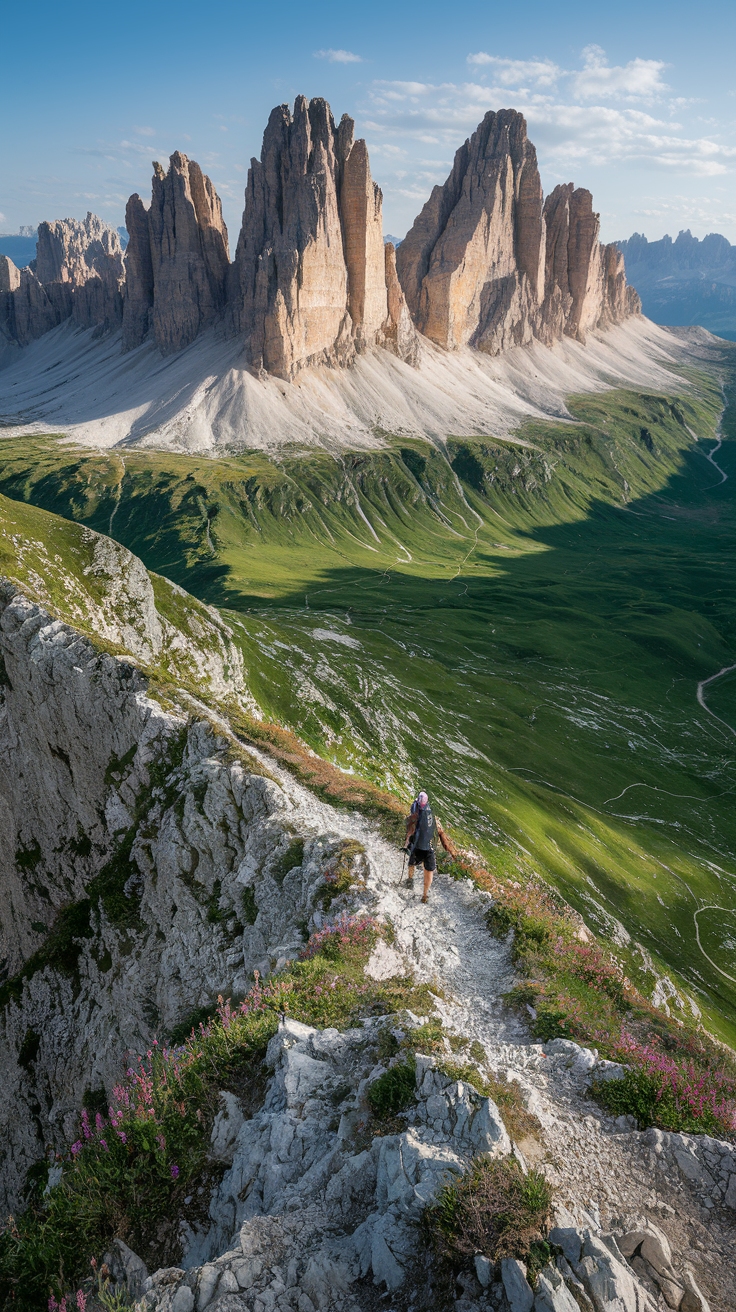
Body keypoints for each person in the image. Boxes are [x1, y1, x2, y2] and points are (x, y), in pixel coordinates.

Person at [404, 790, 454, 903]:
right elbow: (440, 832)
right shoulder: (432, 815)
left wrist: (406, 844)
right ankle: (425, 895)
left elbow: (410, 830)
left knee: (411, 863)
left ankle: (410, 880)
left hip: (418, 847)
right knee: (428, 871)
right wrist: (450, 851)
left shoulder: (415, 812)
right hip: (429, 848)